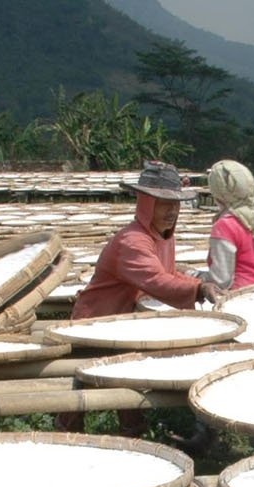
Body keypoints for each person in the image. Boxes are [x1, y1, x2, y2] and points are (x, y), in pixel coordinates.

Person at [71, 160, 221, 438]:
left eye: (175, 204)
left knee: (127, 382)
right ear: (145, 203)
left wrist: (202, 284)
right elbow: (157, 281)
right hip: (96, 321)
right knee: (81, 388)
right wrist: (199, 290)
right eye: (163, 204)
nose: (171, 211)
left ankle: (133, 434)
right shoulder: (133, 241)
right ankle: (68, 435)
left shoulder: (161, 236)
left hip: (125, 322)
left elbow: (170, 273)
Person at [205, 159, 254, 291]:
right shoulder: (250, 217)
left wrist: (189, 275)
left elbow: (221, 280)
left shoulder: (225, 225)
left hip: (239, 294)